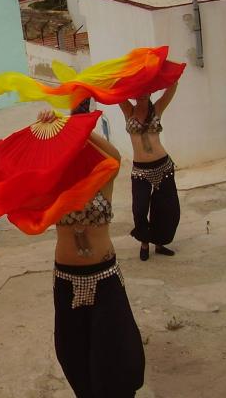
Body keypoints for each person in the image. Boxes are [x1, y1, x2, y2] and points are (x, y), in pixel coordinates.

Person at [39, 108, 145, 398]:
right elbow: (34, 162)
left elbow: (114, 158)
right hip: (66, 278)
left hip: (104, 276)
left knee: (116, 351)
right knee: (72, 351)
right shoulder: (54, 187)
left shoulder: (102, 181)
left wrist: (78, 129)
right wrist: (52, 127)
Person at [119, 83, 179, 261]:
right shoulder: (128, 110)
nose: (142, 93)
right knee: (139, 209)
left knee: (165, 209)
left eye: (145, 89)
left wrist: (171, 75)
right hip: (140, 171)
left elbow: (171, 89)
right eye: (138, 90)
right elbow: (115, 92)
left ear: (151, 90)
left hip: (163, 167)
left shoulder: (158, 108)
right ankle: (144, 242)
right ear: (132, 93)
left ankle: (159, 244)